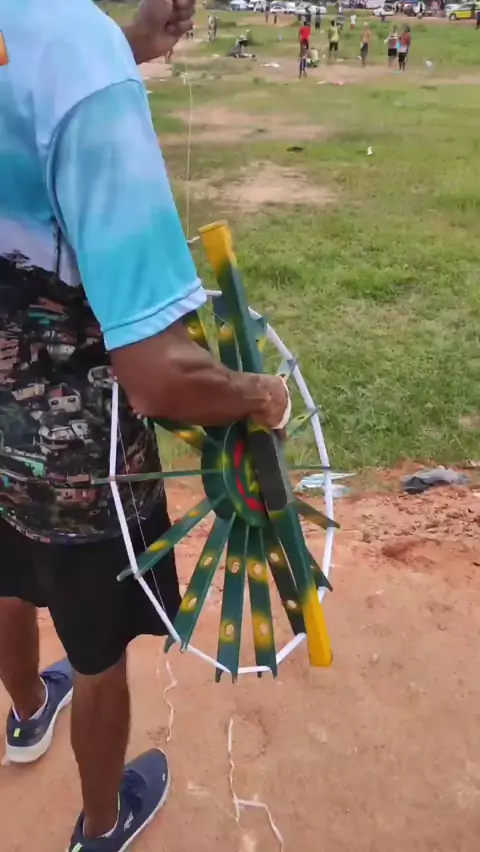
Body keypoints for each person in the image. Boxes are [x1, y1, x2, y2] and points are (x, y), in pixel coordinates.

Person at [0, 3, 289, 852]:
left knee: (6, 579)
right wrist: (257, 394)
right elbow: (160, 375)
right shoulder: (76, 54)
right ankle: (102, 823)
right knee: (96, 656)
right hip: (82, 464)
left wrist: (124, 45)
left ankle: (26, 714)